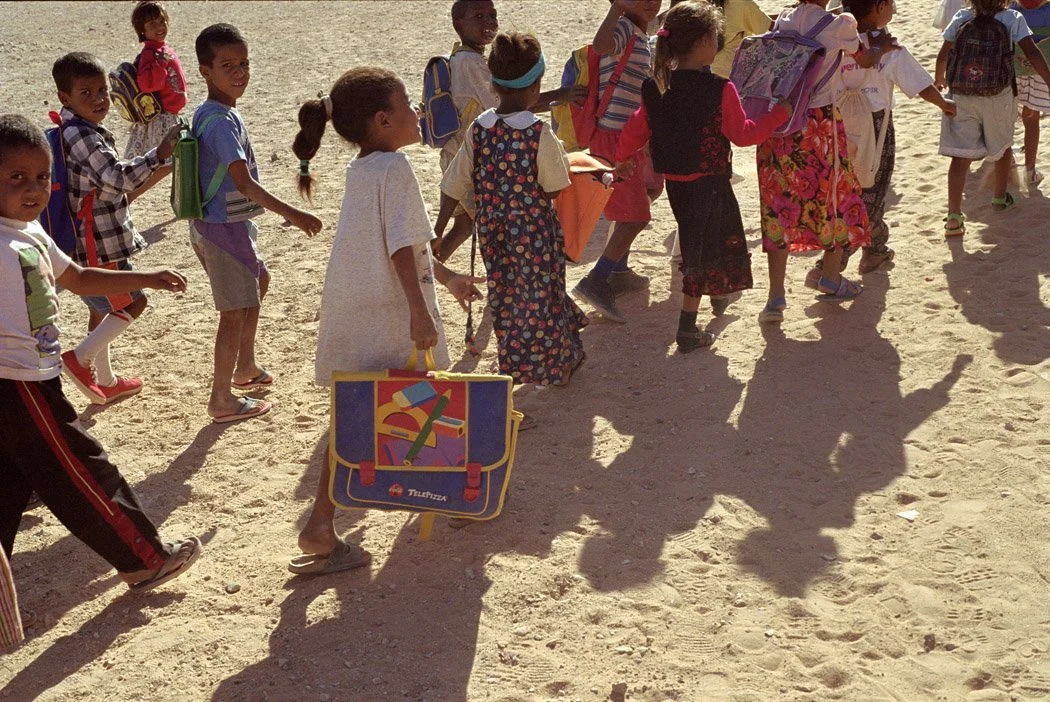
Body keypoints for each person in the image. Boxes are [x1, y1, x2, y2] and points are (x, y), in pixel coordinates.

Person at [289, 68, 484, 574]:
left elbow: (405, 245)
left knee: (358, 414)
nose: (418, 112)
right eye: (407, 105)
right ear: (382, 120)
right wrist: (420, 314)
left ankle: (320, 524)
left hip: (356, 309)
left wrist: (444, 279)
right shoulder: (395, 169)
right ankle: (451, 496)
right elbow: (400, 246)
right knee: (430, 401)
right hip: (389, 315)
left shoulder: (363, 169)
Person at [0, 114, 201, 595]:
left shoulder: (29, 234)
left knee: (9, 487)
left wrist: (146, 278)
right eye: (16, 178)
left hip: (35, 375)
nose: (33, 189)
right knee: (82, 468)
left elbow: (80, 279)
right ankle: (144, 558)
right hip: (17, 383)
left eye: (42, 178)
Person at [616, 2, 790, 351]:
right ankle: (688, 329)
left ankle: (715, 298)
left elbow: (636, 130)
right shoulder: (719, 89)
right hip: (710, 181)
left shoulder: (656, 87)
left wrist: (621, 162)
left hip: (678, 184)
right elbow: (743, 135)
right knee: (700, 250)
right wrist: (778, 115)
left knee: (699, 240)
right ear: (705, 42)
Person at [436, 31, 588, 389]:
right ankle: (555, 367)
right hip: (535, 235)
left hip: (494, 236)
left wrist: (439, 230)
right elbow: (555, 185)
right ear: (536, 88)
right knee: (543, 297)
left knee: (507, 300)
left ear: (493, 81)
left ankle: (532, 362)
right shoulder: (537, 132)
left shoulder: (480, 128)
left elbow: (453, 184)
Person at [190, 24, 322, 423]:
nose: (239, 72)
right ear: (204, 70)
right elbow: (243, 182)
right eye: (227, 65)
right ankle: (221, 398)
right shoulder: (220, 122)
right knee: (233, 312)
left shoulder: (215, 112)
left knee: (258, 282)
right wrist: (294, 213)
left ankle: (244, 367)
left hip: (223, 227)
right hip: (221, 230)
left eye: (244, 63)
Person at [51, 52, 180, 405]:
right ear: (66, 99)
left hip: (94, 235)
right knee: (133, 303)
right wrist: (158, 154)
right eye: (86, 93)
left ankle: (105, 380)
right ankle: (80, 359)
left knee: (101, 307)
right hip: (98, 240)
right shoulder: (82, 135)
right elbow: (116, 178)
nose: (99, 100)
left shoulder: (74, 128)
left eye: (103, 91)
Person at [754, 0, 894, 323]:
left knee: (778, 205)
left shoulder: (784, 18)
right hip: (819, 124)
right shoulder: (840, 25)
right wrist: (883, 47)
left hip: (779, 124)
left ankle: (775, 297)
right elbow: (866, 59)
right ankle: (831, 277)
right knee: (836, 197)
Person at [434, 0, 585, 261]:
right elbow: (510, 103)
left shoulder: (462, 58)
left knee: (465, 226)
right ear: (458, 23)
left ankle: (430, 267)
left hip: (458, 155)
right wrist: (562, 95)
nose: (489, 21)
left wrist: (436, 229)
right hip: (471, 160)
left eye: (492, 15)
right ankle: (429, 270)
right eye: (479, 16)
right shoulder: (472, 64)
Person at [830, 0, 957, 273]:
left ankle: (876, 250)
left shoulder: (836, 42)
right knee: (872, 191)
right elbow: (921, 85)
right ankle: (831, 264)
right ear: (878, 8)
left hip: (837, 125)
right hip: (876, 126)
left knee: (850, 189)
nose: (894, 9)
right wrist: (944, 105)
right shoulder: (889, 49)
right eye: (890, 4)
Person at [572, 0, 663, 325]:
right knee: (636, 216)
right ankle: (596, 280)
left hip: (628, 138)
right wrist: (616, 10)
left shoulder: (641, 32)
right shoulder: (624, 28)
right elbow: (601, 44)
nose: (652, 3)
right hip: (614, 138)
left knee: (647, 193)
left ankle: (619, 270)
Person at [936, 0, 1050, 234]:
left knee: (959, 156)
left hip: (962, 93)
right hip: (999, 93)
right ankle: (999, 197)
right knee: (1003, 146)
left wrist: (939, 79)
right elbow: (1032, 52)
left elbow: (944, 53)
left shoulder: (961, 17)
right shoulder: (1011, 18)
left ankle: (954, 215)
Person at [124, 0, 186, 202]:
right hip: (162, 117)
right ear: (142, 31)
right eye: (152, 25)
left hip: (170, 114)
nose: (160, 27)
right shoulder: (150, 54)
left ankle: (181, 200)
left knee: (175, 161)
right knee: (166, 164)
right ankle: (129, 197)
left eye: (162, 21)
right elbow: (147, 84)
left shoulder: (161, 48)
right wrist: (160, 63)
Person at [1012, 0, 1050, 185]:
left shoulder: (1010, 11)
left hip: (1013, 73)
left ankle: (1006, 160)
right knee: (1032, 119)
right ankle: (1030, 170)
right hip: (1042, 73)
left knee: (1006, 117)